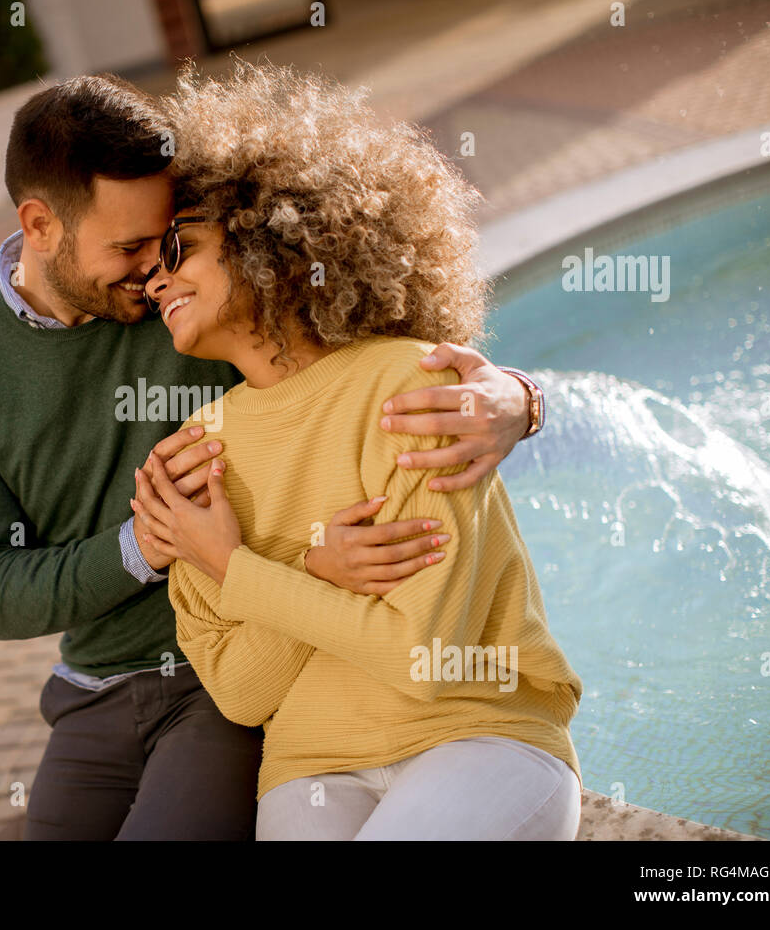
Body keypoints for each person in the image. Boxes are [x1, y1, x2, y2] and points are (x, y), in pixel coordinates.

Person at [0, 73, 545, 840]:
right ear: (40, 225)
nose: (153, 271)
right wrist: (148, 544)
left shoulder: (208, 308)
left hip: (226, 685)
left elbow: (352, 342)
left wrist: (521, 397)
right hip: (101, 684)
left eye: (171, 239)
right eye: (134, 246)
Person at [134, 60, 583, 840]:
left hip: (475, 734)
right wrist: (311, 571)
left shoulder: (413, 389)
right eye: (146, 269)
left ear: (261, 235)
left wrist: (238, 569)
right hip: (309, 770)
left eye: (179, 247)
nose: (155, 282)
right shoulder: (194, 457)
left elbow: (421, 654)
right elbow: (242, 694)